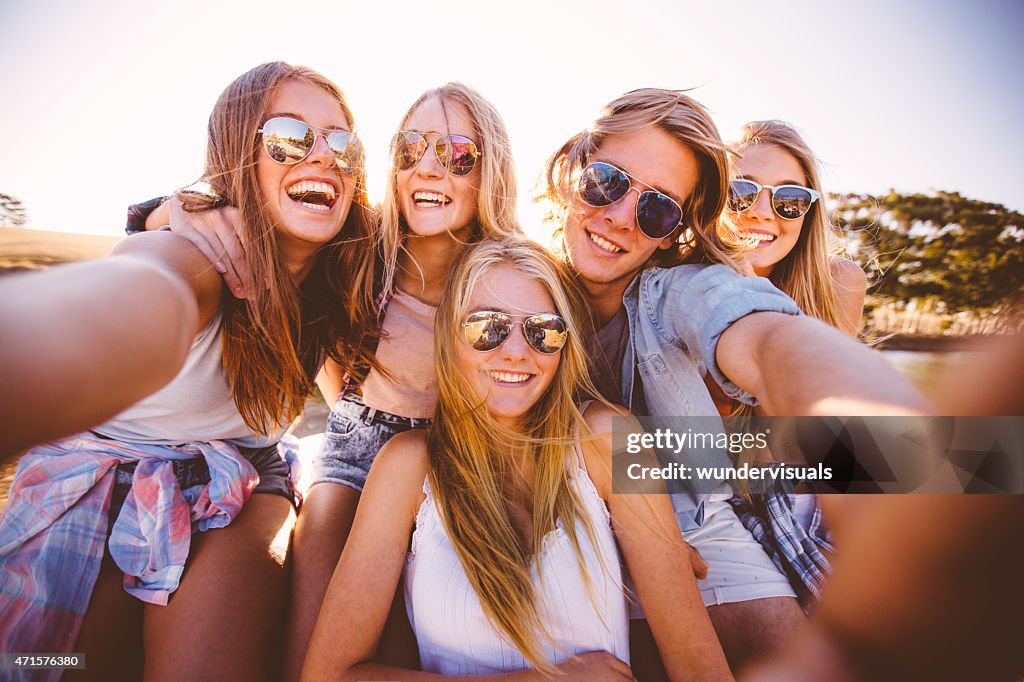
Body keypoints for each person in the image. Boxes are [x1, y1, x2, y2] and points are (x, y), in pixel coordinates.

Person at [0, 61, 378, 680]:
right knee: (62, 661)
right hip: (105, 471)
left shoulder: (344, 277)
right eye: (289, 136)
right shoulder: (194, 254)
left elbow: (359, 402)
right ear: (238, 152)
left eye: (342, 141)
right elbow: (127, 302)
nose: (323, 157)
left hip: (241, 484)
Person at [133, 82, 521, 679]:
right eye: (410, 149)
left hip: (459, 457)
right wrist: (168, 208)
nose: (427, 169)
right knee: (318, 623)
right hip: (355, 450)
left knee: (428, 635)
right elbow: (265, 213)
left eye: (456, 155)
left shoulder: (509, 275)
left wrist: (658, 502)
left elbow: (575, 397)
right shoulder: (365, 247)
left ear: (489, 170)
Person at [538, 88, 930, 672]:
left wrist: (914, 455)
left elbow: (769, 340)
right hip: (583, 509)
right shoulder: (516, 286)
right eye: (607, 182)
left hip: (706, 509)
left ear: (676, 231)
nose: (621, 216)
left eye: (658, 210)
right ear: (573, 169)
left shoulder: (684, 292)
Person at [302, 236, 732, 681]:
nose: (514, 351)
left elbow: (698, 664)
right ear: (450, 337)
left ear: (564, 346)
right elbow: (329, 675)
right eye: (487, 327)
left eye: (542, 330)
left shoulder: (606, 441)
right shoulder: (408, 468)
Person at [720, 120, 869, 609]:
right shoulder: (682, 291)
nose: (763, 213)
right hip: (725, 500)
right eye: (741, 193)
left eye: (788, 199)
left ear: (807, 212)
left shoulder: (839, 284)